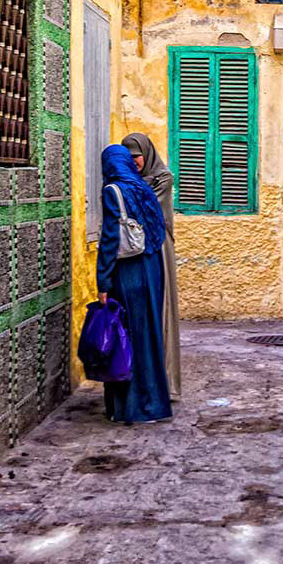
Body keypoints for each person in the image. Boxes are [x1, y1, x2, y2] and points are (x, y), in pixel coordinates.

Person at [96, 144, 173, 424]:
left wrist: (103, 281)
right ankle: (154, 404)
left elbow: (110, 240)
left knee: (125, 338)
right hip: (152, 268)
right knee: (149, 336)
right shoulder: (144, 189)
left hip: (127, 273)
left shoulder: (113, 191)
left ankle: (129, 408)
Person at [122, 132, 182, 399]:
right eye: (128, 157)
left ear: (146, 153)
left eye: (137, 155)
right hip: (135, 248)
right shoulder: (126, 180)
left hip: (159, 245)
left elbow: (144, 208)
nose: (134, 161)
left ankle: (165, 382)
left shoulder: (162, 178)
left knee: (162, 306)